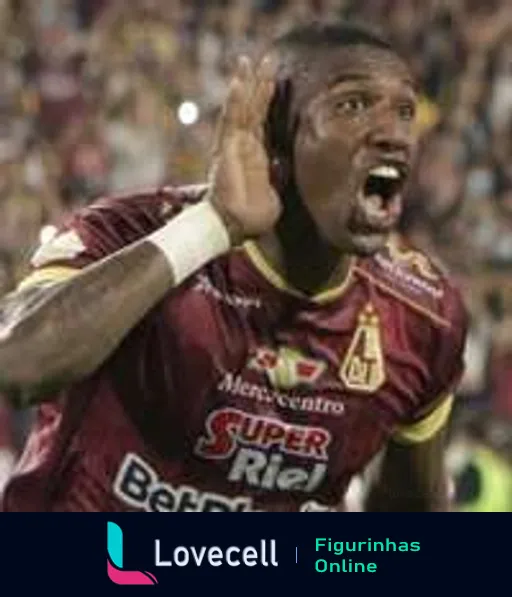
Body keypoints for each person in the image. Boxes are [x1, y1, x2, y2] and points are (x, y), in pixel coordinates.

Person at [0, 22, 468, 512]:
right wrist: (213, 225)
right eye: (352, 105)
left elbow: (408, 528)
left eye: (404, 111)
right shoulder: (133, 235)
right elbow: (17, 364)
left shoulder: (421, 317)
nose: (392, 134)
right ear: (273, 135)